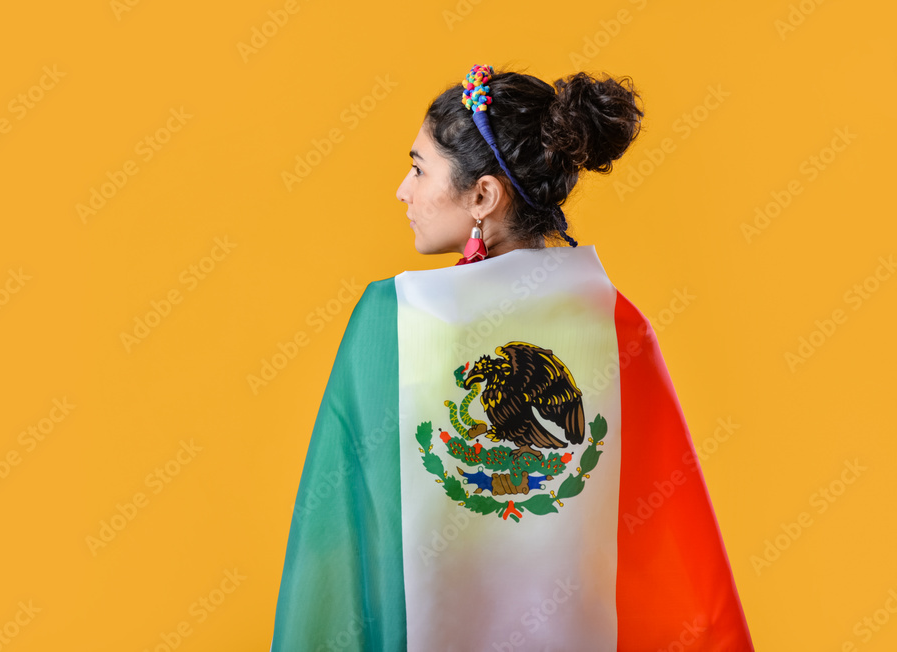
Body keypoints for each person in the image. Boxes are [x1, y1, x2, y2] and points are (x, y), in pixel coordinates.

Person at [270, 64, 754, 651]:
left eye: (419, 169)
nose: (403, 189)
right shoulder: (617, 324)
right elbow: (667, 534)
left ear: (483, 196)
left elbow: (342, 529)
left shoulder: (391, 317)